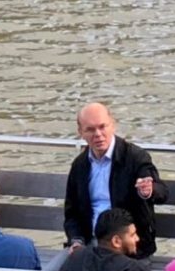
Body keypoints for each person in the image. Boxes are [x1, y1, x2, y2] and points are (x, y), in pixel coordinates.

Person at [60, 103, 166, 259]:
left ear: (113, 125)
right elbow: (72, 213)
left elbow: (163, 192)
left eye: (102, 127)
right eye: (90, 129)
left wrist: (148, 190)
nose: (98, 134)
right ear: (80, 132)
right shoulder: (80, 165)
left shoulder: (135, 157)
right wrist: (76, 240)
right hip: (90, 243)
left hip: (128, 245)